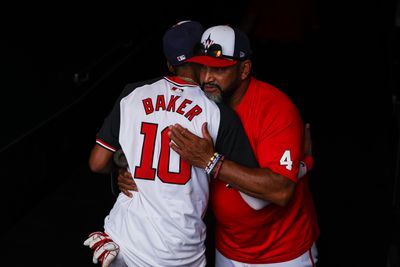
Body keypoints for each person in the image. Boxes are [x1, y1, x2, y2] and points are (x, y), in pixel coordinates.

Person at [117, 25, 319, 266]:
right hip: (227, 248)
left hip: (282, 252)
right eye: (203, 66)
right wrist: (131, 176)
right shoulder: (195, 104)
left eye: (220, 69)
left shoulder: (275, 108)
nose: (207, 77)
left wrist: (210, 161)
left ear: (244, 69)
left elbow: (281, 191)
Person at [84, 20, 259, 267]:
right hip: (177, 253)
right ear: (204, 58)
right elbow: (258, 197)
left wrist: (123, 170)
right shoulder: (217, 111)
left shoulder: (132, 93)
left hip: (121, 240)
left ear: (169, 64)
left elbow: (97, 162)